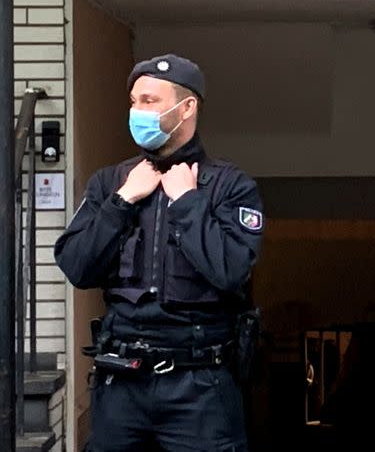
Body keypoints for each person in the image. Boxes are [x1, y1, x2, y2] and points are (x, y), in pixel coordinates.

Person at [55, 54, 265, 451]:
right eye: (134, 102)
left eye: (149, 101)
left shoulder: (229, 186)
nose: (137, 112)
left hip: (199, 385)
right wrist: (122, 201)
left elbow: (231, 270)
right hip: (122, 382)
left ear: (187, 108)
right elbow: (77, 266)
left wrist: (187, 201)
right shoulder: (111, 182)